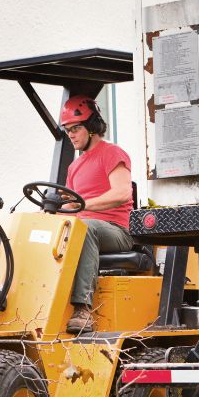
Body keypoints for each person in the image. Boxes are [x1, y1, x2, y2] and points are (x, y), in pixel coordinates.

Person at [60, 94, 134, 332]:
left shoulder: (112, 154)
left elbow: (122, 193)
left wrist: (83, 206)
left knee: (85, 228)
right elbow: (70, 209)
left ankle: (83, 308)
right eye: (67, 129)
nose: (70, 134)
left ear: (91, 127)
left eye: (75, 128)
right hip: (84, 227)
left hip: (117, 231)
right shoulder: (74, 166)